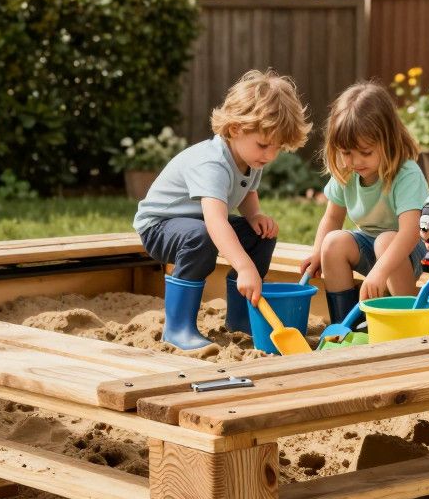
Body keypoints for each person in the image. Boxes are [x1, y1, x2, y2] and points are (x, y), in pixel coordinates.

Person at [133, 69, 311, 350]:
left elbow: (246, 190)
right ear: (236, 128)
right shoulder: (212, 162)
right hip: (159, 227)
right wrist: (244, 266)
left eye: (277, 148)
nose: (269, 155)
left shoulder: (251, 158)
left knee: (260, 234)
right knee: (201, 236)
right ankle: (178, 328)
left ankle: (240, 318)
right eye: (264, 145)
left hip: (197, 224)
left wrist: (254, 216)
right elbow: (216, 222)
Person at [300, 82, 429, 324]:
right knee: (332, 243)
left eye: (366, 152)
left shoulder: (406, 174)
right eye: (346, 153)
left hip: (408, 251)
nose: (355, 161)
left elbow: (411, 233)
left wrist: (380, 270)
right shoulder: (347, 173)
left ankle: (409, 319)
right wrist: (317, 252)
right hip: (370, 244)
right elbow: (332, 218)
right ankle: (347, 325)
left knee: (385, 241)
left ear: (388, 141)